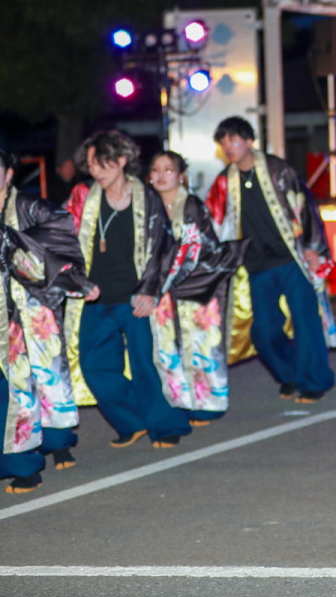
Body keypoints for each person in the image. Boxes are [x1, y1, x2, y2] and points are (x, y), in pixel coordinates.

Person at [63, 131, 192, 449]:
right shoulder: (83, 196)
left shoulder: (146, 197)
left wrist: (149, 290)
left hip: (135, 298)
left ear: (121, 160)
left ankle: (165, 425)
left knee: (145, 365)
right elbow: (62, 241)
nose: (94, 170)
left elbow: (162, 247)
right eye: (90, 165)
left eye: (100, 163)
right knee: (93, 366)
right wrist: (77, 281)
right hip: (94, 298)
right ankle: (132, 421)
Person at [206, 117, 336, 403]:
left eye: (233, 140)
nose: (228, 147)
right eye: (223, 142)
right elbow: (212, 223)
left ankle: (314, 381)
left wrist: (313, 247)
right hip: (256, 265)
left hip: (292, 259)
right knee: (263, 331)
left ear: (249, 140)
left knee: (306, 322)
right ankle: (289, 374)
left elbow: (306, 207)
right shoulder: (223, 182)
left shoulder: (279, 170)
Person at [0, 149, 93, 492]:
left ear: (9, 173)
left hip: (31, 307)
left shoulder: (30, 206)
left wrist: (15, 243)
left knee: (42, 379)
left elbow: (62, 230)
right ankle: (23, 459)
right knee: (9, 390)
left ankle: (51, 447)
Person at [149, 151, 247, 426]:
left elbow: (192, 250)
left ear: (181, 176)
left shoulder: (190, 205)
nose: (161, 175)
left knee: (202, 343)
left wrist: (160, 280)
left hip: (199, 281)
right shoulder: (147, 205)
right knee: (166, 345)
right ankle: (179, 400)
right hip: (163, 287)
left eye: (168, 170)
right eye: (155, 169)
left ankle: (208, 404)